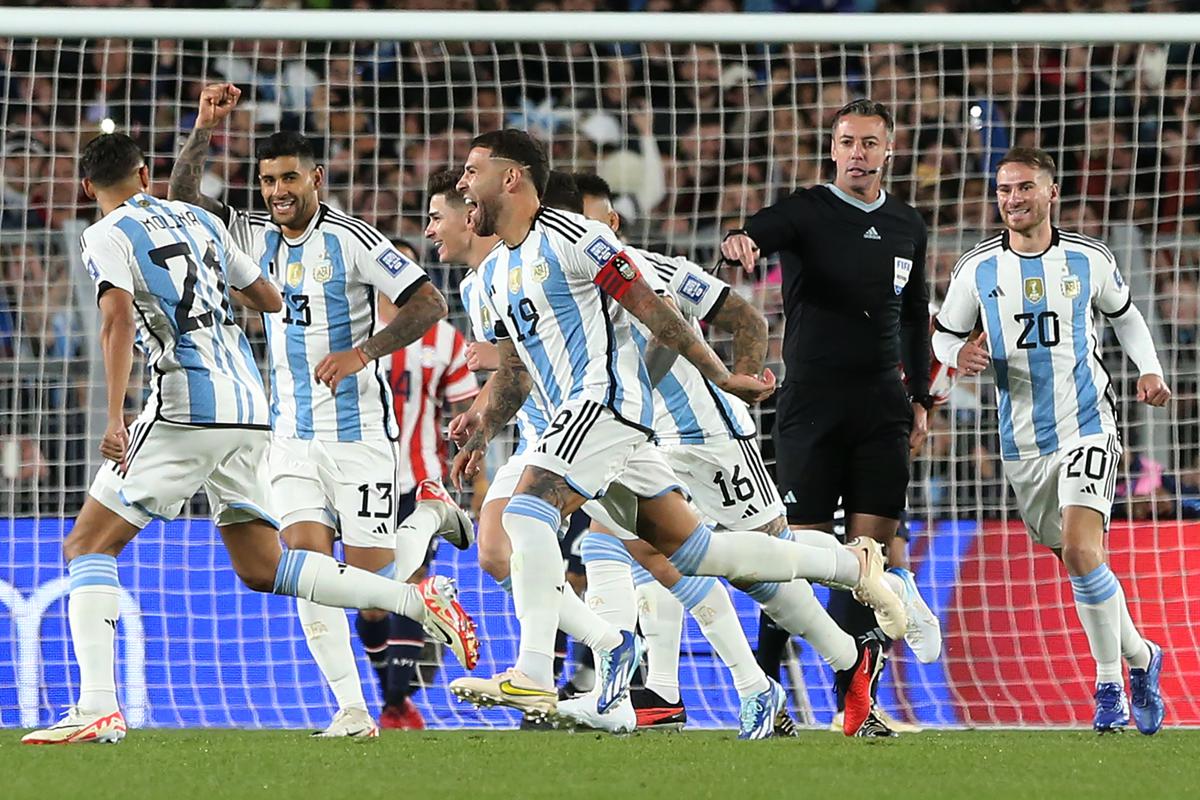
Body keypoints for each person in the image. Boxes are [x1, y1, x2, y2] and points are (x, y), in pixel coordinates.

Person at [444, 129, 907, 738]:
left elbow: (654, 310)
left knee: (527, 513)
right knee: (700, 556)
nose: (460, 185)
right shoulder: (490, 276)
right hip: (590, 426)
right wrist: (481, 423)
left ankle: (546, 667)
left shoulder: (578, 238)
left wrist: (718, 370)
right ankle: (850, 567)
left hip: (609, 404)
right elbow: (513, 368)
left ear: (511, 178)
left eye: (471, 171)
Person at [21, 134, 460, 746]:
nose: (276, 192)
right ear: (145, 173)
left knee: (85, 543)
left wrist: (116, 413)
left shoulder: (104, 234)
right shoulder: (199, 219)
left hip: (187, 408)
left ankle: (97, 704)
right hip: (255, 410)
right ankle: (413, 607)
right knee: (266, 568)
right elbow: (271, 297)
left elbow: (117, 318)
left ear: (88, 188)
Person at [562, 173, 938, 738]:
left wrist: (739, 375)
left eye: (586, 221)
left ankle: (869, 578)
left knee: (767, 560)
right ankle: (657, 690)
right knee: (624, 544)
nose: (576, 232)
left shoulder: (650, 270)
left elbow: (745, 316)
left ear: (610, 223)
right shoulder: (561, 283)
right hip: (641, 440)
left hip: (707, 436)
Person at [168, 82, 478, 739]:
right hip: (289, 439)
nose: (277, 191)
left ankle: (429, 512)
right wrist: (204, 126)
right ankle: (352, 710)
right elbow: (183, 198)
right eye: (266, 181)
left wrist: (364, 351)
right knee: (307, 574)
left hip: (360, 438)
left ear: (316, 177)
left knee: (369, 592)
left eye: (288, 179)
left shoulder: (356, 239)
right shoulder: (251, 232)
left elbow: (429, 304)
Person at [932, 146, 1169, 735]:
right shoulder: (976, 269)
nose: (1013, 199)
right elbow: (942, 336)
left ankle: (1109, 684)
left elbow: (1127, 315)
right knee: (1075, 559)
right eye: (1004, 190)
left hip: (1088, 423)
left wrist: (1150, 368)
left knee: (1085, 549)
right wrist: (956, 353)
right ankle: (1143, 657)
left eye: (1024, 188)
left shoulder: (1090, 258)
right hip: (1021, 440)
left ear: (1051, 192)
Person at [721, 98, 938, 731]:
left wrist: (920, 398)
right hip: (811, 406)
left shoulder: (907, 224)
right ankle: (764, 693)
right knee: (790, 555)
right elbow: (760, 230)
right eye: (847, 142)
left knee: (866, 557)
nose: (857, 154)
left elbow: (915, 316)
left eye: (870, 143)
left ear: (888, 151)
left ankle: (855, 703)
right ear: (833, 148)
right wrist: (742, 241)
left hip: (881, 408)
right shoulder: (808, 210)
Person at [355, 237, 480, 731]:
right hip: (359, 481)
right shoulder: (351, 328)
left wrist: (477, 474)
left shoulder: (443, 338)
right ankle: (394, 697)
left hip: (420, 480)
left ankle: (395, 703)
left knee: (409, 581)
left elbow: (466, 413)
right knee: (368, 603)